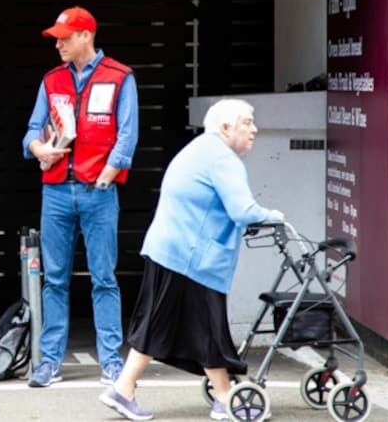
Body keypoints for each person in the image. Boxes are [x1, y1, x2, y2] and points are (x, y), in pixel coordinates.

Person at [98, 99, 284, 421]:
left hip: (170, 247)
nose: (254, 129)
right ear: (226, 127)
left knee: (159, 323)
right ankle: (225, 398)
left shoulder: (199, 149)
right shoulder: (222, 159)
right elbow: (243, 210)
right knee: (206, 326)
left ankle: (124, 388)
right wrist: (274, 216)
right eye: (247, 122)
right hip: (193, 256)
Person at [21, 6, 139, 387]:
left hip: (97, 191)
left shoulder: (120, 76)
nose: (58, 43)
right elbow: (31, 131)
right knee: (54, 279)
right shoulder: (51, 79)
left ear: (86, 35)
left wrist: (108, 173)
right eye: (56, 37)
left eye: (65, 37)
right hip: (55, 190)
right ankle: (49, 361)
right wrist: (39, 150)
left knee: (104, 278)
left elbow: (128, 132)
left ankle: (111, 361)